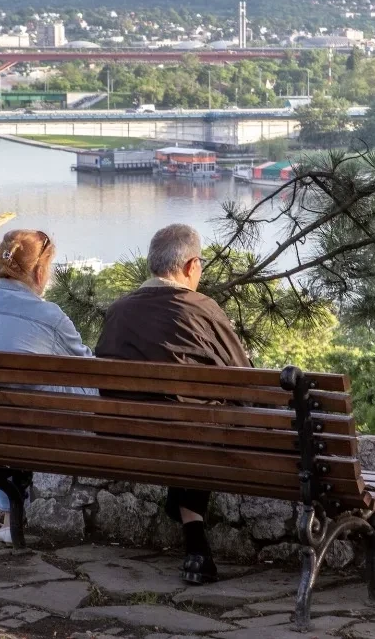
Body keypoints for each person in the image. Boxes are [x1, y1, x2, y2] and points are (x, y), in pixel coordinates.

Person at [95, 224, 251, 585]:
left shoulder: (119, 311)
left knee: (187, 421)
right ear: (191, 265)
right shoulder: (202, 309)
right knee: (203, 422)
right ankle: (195, 544)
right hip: (190, 441)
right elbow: (246, 382)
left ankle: (191, 532)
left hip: (130, 441)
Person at [0, 229, 93, 544]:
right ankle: (11, 518)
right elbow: (90, 373)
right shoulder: (50, 316)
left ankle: (9, 519)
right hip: (35, 436)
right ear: (40, 271)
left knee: (9, 408)